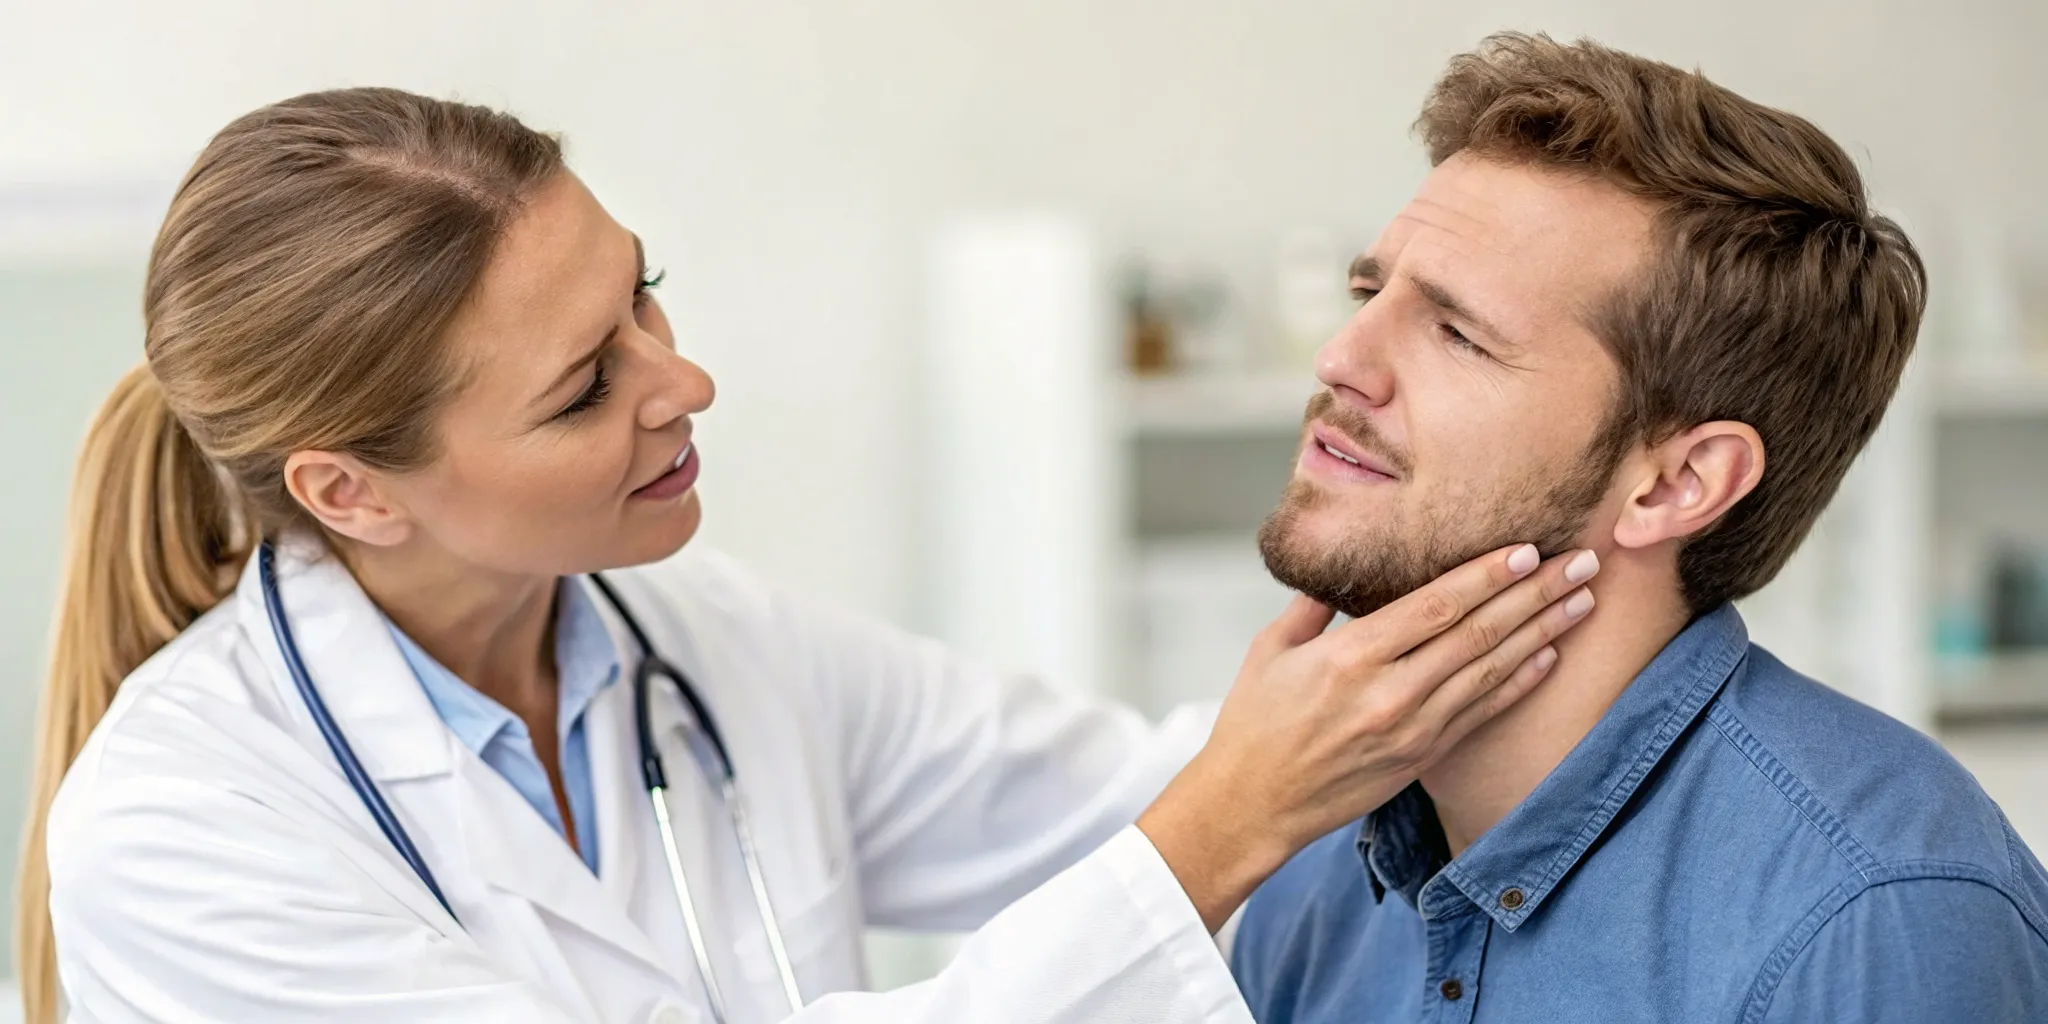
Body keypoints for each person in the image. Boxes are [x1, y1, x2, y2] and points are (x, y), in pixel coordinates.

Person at [13, 88, 1600, 1024]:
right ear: (352, 492)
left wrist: (1456, 708)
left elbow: (1113, 796)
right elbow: (1189, 836)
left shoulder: (682, 638)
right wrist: (1217, 825)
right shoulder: (180, 832)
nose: (681, 380)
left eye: (646, 294)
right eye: (585, 384)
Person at [1228, 32, 2048, 1024]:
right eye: (1368, 293)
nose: (1339, 357)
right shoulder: (1308, 873)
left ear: (1677, 483)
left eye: (1455, 332)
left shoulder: (1879, 918)